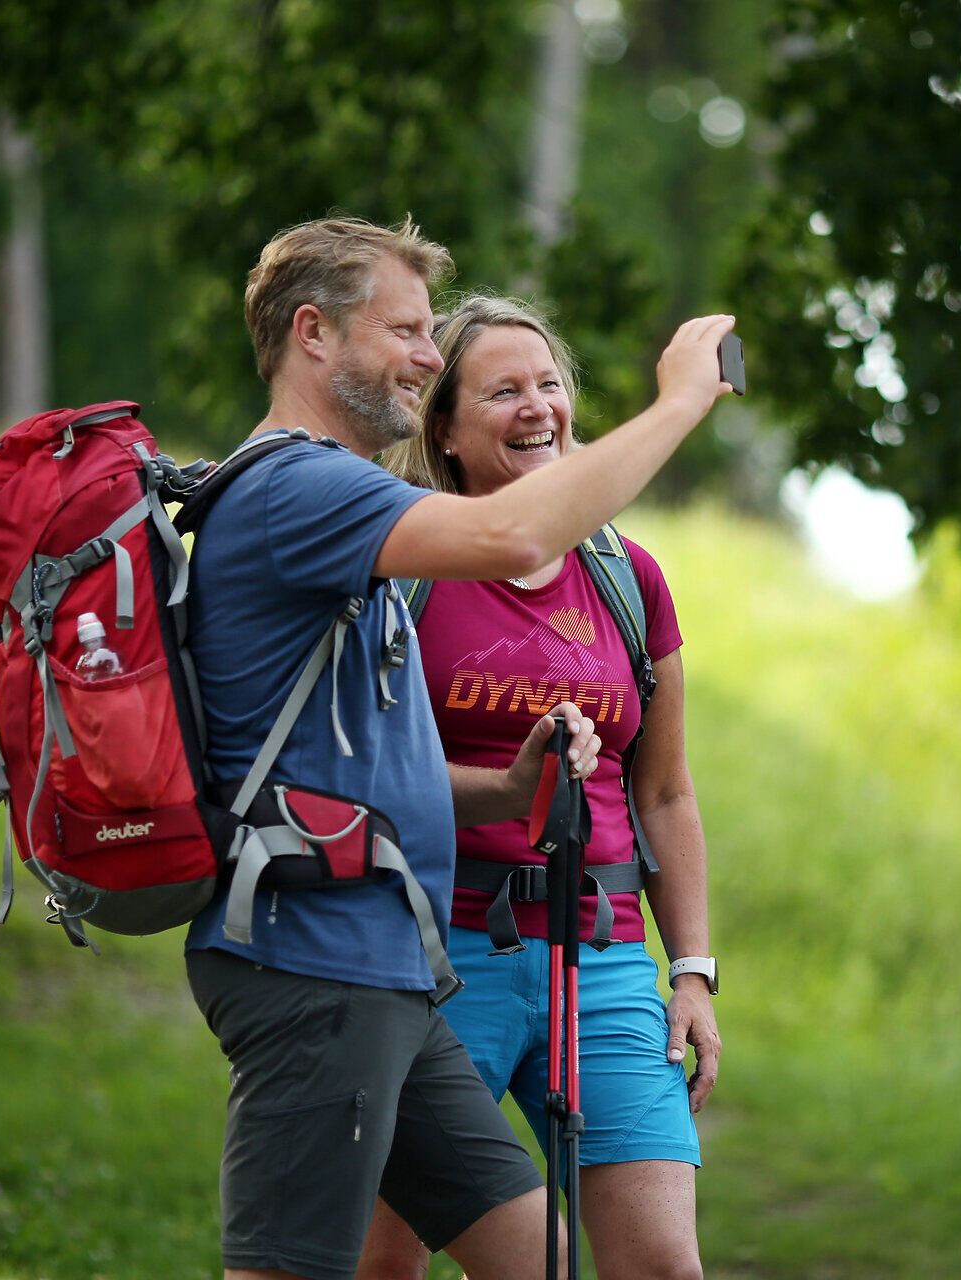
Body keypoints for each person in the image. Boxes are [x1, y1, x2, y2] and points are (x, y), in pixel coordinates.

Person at [184, 216, 734, 1280]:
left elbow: (366, 762)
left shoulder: (354, 504)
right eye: (406, 329)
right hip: (315, 957)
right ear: (314, 333)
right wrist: (680, 401)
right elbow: (517, 533)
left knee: (541, 1260)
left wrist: (508, 784)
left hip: (390, 961)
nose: (429, 354)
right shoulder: (301, 487)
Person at [357, 296, 718, 1280]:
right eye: (504, 389)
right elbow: (362, 768)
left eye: (549, 384)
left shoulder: (626, 576)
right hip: (435, 962)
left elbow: (668, 794)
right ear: (446, 428)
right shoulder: (404, 568)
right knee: (382, 1264)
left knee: (663, 1265)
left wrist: (691, 967)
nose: (537, 407)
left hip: (599, 961)